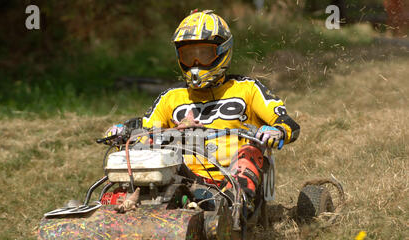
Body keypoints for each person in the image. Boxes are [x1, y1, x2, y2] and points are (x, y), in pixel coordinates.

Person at [106, 9, 300, 200]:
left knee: (250, 152)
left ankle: (235, 206)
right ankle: (113, 206)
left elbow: (285, 121)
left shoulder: (247, 89)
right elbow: (147, 130)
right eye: (189, 56)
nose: (196, 64)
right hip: (183, 177)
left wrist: (278, 131)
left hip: (232, 177)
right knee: (137, 154)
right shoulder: (171, 97)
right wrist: (124, 132)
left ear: (223, 50)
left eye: (204, 55)